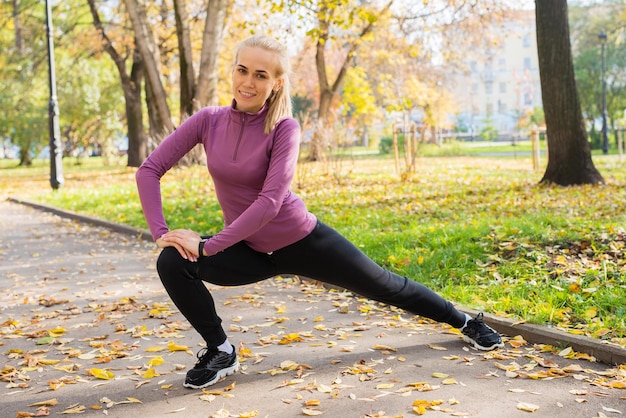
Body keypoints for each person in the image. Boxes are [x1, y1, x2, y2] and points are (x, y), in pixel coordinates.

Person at [135, 34, 504, 390]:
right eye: (242, 70)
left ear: (276, 83)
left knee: (385, 285)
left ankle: (464, 320)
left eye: (261, 75)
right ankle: (221, 351)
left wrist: (208, 246)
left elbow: (269, 202)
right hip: (248, 249)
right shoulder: (208, 120)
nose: (248, 82)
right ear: (232, 71)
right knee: (172, 261)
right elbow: (149, 169)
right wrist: (161, 232)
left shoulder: (284, 128)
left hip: (301, 240)